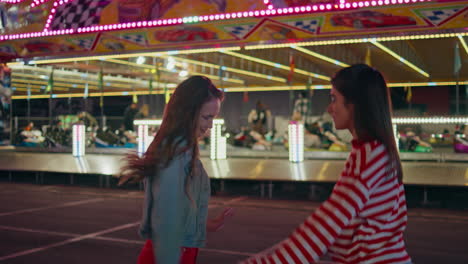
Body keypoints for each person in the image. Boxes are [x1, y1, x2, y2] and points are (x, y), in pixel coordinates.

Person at [241, 64, 411, 264]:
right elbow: (333, 221)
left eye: (334, 99)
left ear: (355, 103)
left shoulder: (370, 155)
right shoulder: (370, 151)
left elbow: (328, 222)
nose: (329, 108)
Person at [118, 76, 233, 264]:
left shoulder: (180, 149)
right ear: (187, 113)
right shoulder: (174, 156)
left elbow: (181, 209)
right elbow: (167, 221)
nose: (210, 125)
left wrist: (207, 224)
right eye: (207, 117)